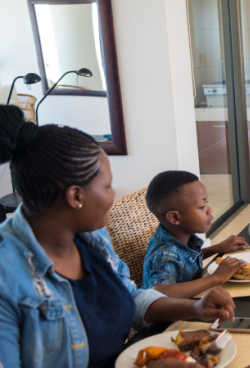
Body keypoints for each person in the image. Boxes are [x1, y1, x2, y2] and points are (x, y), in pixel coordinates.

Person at [0, 106, 236, 368]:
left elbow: (131, 297)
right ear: (76, 197)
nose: (114, 196)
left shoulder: (92, 237)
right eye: (107, 186)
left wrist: (195, 309)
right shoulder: (7, 276)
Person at [141, 170, 249, 298]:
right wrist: (216, 278)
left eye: (206, 203)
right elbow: (160, 292)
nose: (210, 209)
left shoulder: (180, 236)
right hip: (172, 317)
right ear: (175, 218)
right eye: (202, 206)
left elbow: (184, 261)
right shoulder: (164, 254)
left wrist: (217, 248)